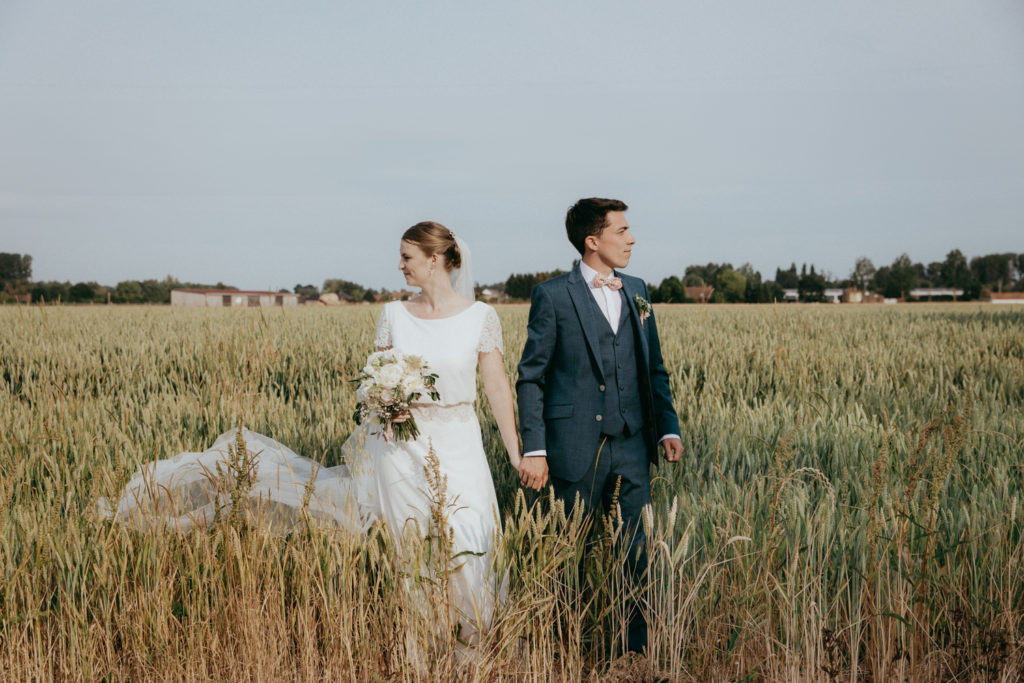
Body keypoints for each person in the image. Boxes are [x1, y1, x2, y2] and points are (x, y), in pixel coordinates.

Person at [101, 222, 520, 643]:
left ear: (434, 260)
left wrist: (517, 454)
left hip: (459, 443)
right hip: (400, 447)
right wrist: (383, 402)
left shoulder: (480, 316)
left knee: (470, 533)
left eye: (407, 257)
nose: (400, 265)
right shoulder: (394, 314)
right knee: (412, 540)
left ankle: (478, 638)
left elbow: (498, 387)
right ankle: (426, 639)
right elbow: (373, 379)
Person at [516, 197, 683, 655]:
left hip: (632, 444)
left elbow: (654, 369)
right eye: (622, 231)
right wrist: (535, 448)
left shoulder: (637, 289)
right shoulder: (552, 295)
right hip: (573, 448)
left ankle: (635, 656)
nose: (632, 239)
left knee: (636, 556)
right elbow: (532, 376)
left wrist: (668, 427)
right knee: (565, 557)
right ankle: (563, 651)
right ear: (593, 241)